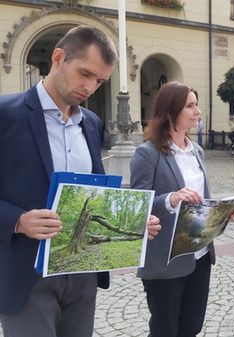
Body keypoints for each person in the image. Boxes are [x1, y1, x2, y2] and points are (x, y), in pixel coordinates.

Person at [0, 25, 160, 337]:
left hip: (82, 270)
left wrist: (135, 222)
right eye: (85, 74)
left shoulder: (91, 123)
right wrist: (18, 221)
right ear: (58, 58)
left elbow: (93, 195)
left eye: (99, 81)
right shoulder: (6, 115)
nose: (90, 87)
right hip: (26, 271)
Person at [130, 81, 215, 337]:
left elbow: (201, 199)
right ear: (170, 111)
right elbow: (136, 205)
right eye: (190, 105)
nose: (197, 111)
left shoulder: (196, 151)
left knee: (191, 327)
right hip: (165, 258)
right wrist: (170, 199)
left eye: (196, 104)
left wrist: (219, 212)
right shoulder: (147, 153)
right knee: (165, 329)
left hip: (199, 254)